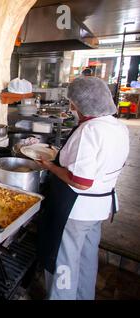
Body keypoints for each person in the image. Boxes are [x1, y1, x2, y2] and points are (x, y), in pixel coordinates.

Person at [36, 76, 130, 300]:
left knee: (65, 262)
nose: (72, 107)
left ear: (82, 104)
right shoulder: (117, 127)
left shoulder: (88, 130)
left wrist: (50, 165)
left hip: (76, 210)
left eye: (73, 103)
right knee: (87, 258)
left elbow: (81, 181)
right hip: (98, 208)